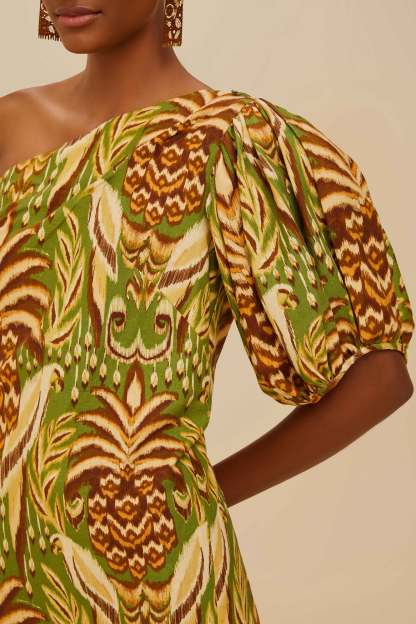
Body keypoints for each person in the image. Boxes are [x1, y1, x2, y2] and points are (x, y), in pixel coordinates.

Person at [0, 2, 413, 622]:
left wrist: (198, 495)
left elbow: (380, 376)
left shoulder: (235, 139)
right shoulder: (9, 125)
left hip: (159, 582)